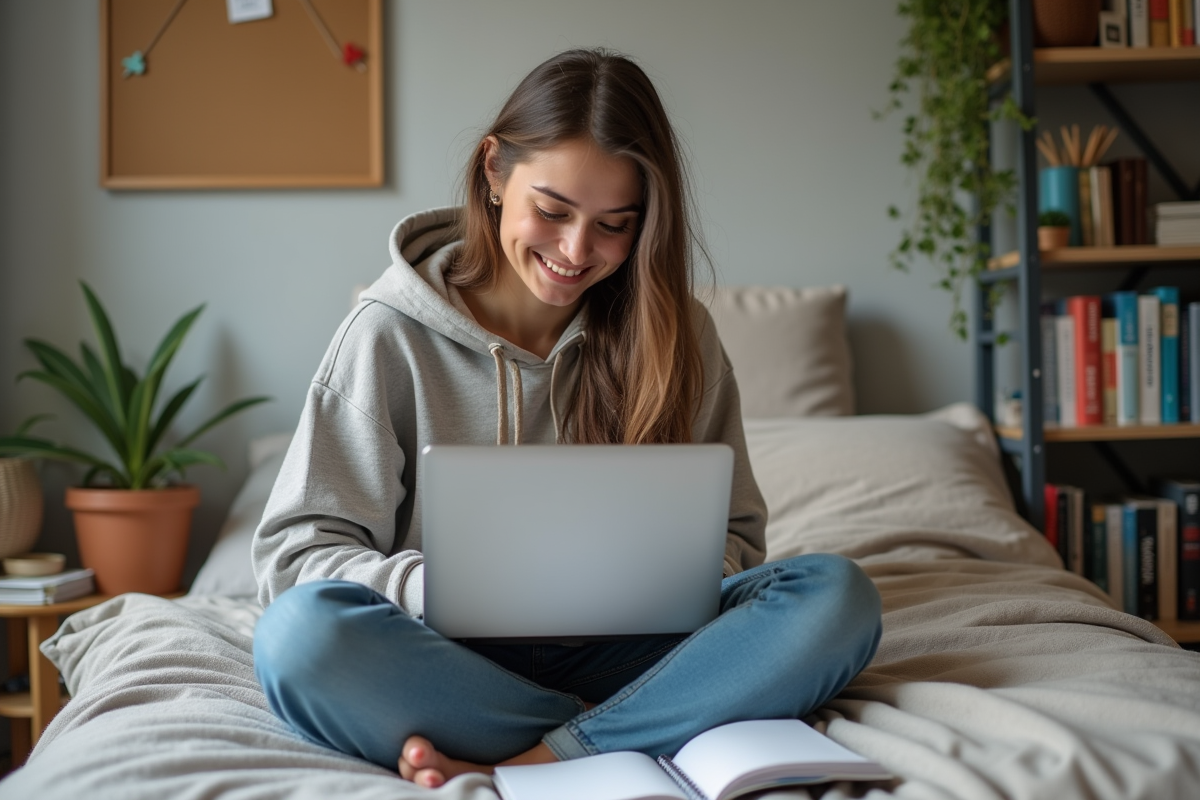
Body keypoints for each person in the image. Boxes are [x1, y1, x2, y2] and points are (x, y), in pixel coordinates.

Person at [251, 48, 882, 789]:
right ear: (493, 171)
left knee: (837, 598)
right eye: (552, 211)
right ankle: (635, 725)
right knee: (299, 640)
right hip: (445, 656)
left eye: (616, 224)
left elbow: (739, 539)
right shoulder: (385, 335)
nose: (577, 252)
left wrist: (671, 576)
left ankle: (541, 754)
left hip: (638, 650)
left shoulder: (681, 336)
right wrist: (432, 587)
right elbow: (296, 559)